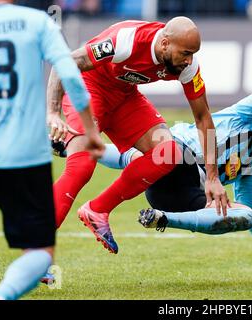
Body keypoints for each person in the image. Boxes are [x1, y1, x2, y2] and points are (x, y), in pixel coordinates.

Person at [96, 86, 252, 273]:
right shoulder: (245, 113)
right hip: (172, 154)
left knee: (245, 216)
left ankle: (161, 219)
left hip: (172, 197)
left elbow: (251, 209)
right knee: (153, 155)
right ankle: (80, 147)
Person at [47, 16, 229, 255]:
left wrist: (213, 177)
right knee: (83, 165)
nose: (189, 60)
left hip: (124, 97)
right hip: (89, 88)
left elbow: (203, 118)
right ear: (164, 44)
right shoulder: (126, 41)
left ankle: (97, 210)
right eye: (185, 53)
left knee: (167, 153)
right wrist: (52, 111)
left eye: (193, 54)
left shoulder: (188, 67)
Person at [0, 0, 104, 300]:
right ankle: (0, 297)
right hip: (27, 156)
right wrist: (90, 130)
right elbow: (71, 75)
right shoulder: (37, 22)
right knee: (40, 253)